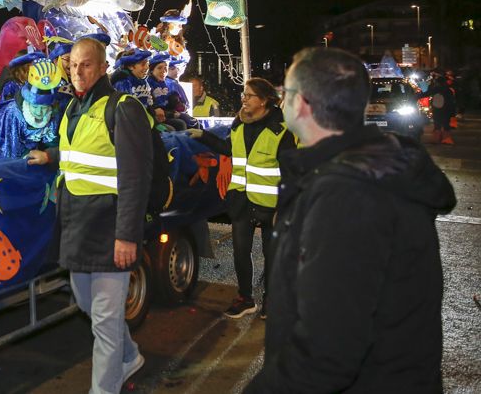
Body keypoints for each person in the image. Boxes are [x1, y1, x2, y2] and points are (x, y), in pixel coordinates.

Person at [244, 47, 456, 394]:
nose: (282, 101)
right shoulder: (364, 171)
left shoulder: (347, 194)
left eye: (287, 93)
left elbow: (327, 350)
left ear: (304, 103)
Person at [26, 37, 151, 393]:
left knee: (106, 324)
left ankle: (105, 387)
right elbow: (79, 153)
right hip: (78, 228)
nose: (78, 72)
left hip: (111, 231)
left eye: (87, 65)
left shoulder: (123, 107)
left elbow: (135, 178)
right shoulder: (72, 109)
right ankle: (131, 356)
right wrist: (51, 156)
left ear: (102, 67)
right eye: (74, 65)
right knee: (89, 307)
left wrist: (127, 235)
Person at [188, 77, 296, 318]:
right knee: (240, 252)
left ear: (265, 100)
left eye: (249, 96)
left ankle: (271, 300)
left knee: (272, 254)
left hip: (270, 204)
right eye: (243, 95)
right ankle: (245, 299)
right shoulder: (239, 123)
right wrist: (203, 136)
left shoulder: (281, 130)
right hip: (241, 200)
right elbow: (230, 149)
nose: (244, 99)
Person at [0, 55, 62, 158]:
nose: (39, 112)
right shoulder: (13, 114)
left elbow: (52, 142)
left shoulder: (54, 113)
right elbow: (9, 149)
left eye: (43, 108)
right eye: (35, 107)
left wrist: (48, 156)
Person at [146, 54, 187, 131]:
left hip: (165, 115)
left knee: (189, 121)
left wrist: (176, 103)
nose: (163, 71)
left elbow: (181, 106)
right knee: (179, 124)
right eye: (159, 68)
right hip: (153, 119)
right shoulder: (147, 84)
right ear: (151, 70)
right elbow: (152, 107)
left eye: (166, 68)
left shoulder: (165, 84)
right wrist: (172, 114)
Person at [423, 71, 457, 144]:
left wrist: (414, 97)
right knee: (446, 125)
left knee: (437, 124)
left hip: (437, 109)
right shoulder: (449, 90)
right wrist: (452, 113)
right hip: (446, 110)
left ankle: (437, 139)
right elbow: (452, 102)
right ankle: (446, 139)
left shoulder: (436, 89)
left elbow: (426, 94)